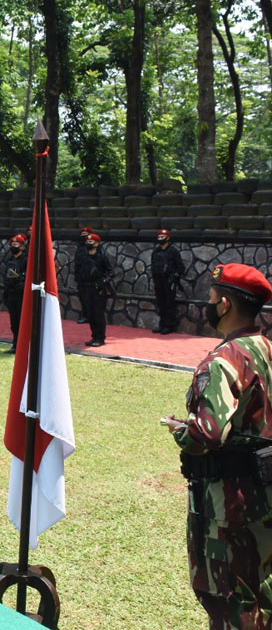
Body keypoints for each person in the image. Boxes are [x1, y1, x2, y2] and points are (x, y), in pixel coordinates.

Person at [165, 263, 272, 629]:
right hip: (266, 495)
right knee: (263, 593)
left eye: (210, 299)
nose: (207, 306)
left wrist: (181, 430)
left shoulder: (223, 360)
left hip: (228, 504)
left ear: (225, 305)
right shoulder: (267, 349)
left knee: (229, 598)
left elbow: (209, 435)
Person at [78, 232, 111, 347]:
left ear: (97, 244)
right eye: (87, 241)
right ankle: (94, 336)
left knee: (98, 314)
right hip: (87, 288)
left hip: (98, 289)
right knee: (90, 314)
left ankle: (100, 337)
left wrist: (102, 282)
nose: (88, 243)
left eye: (91, 242)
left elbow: (110, 272)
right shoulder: (84, 258)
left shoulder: (101, 258)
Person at [151, 228, 185, 335]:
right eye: (159, 237)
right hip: (158, 280)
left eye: (162, 237)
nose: (160, 239)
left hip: (169, 280)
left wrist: (174, 276)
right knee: (161, 303)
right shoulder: (156, 251)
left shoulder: (173, 251)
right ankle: (162, 324)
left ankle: (169, 325)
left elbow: (180, 267)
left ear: (168, 238)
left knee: (169, 303)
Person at [1, 234, 28, 354]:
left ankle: (24, 346)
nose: (13, 246)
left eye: (16, 244)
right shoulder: (10, 260)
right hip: (11, 293)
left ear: (22, 247)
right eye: (12, 244)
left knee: (23, 322)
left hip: (21, 294)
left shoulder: (26, 260)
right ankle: (15, 345)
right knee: (14, 322)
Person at [73, 226, 92, 324]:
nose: (83, 236)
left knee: (89, 298)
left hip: (90, 277)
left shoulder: (92, 247)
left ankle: (90, 315)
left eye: (85, 234)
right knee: (82, 297)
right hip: (81, 276)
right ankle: (85, 314)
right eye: (82, 234)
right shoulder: (80, 247)